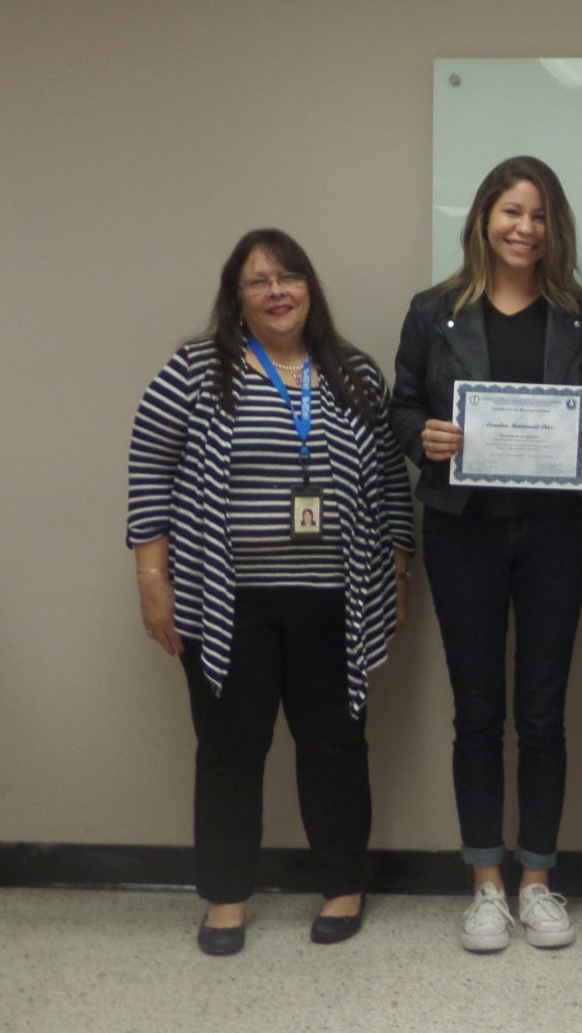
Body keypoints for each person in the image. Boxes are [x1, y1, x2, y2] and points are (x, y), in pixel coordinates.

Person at [128, 229, 413, 956]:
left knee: (335, 747)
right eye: (259, 282)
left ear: (310, 287)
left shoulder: (354, 373)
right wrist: (152, 580)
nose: (277, 292)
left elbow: (388, 479)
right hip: (227, 607)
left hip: (336, 602)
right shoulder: (196, 370)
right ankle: (225, 899)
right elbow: (149, 467)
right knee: (229, 751)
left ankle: (343, 887)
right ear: (237, 297)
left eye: (289, 277)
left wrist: (398, 570)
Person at [390, 156, 582, 954]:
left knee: (544, 714)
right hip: (464, 531)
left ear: (557, 228)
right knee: (478, 712)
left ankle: (538, 883)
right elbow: (400, 406)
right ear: (485, 217)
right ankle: (486, 884)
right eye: (512, 211)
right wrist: (423, 435)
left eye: (540, 215)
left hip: (556, 533)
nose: (525, 228)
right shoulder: (434, 311)